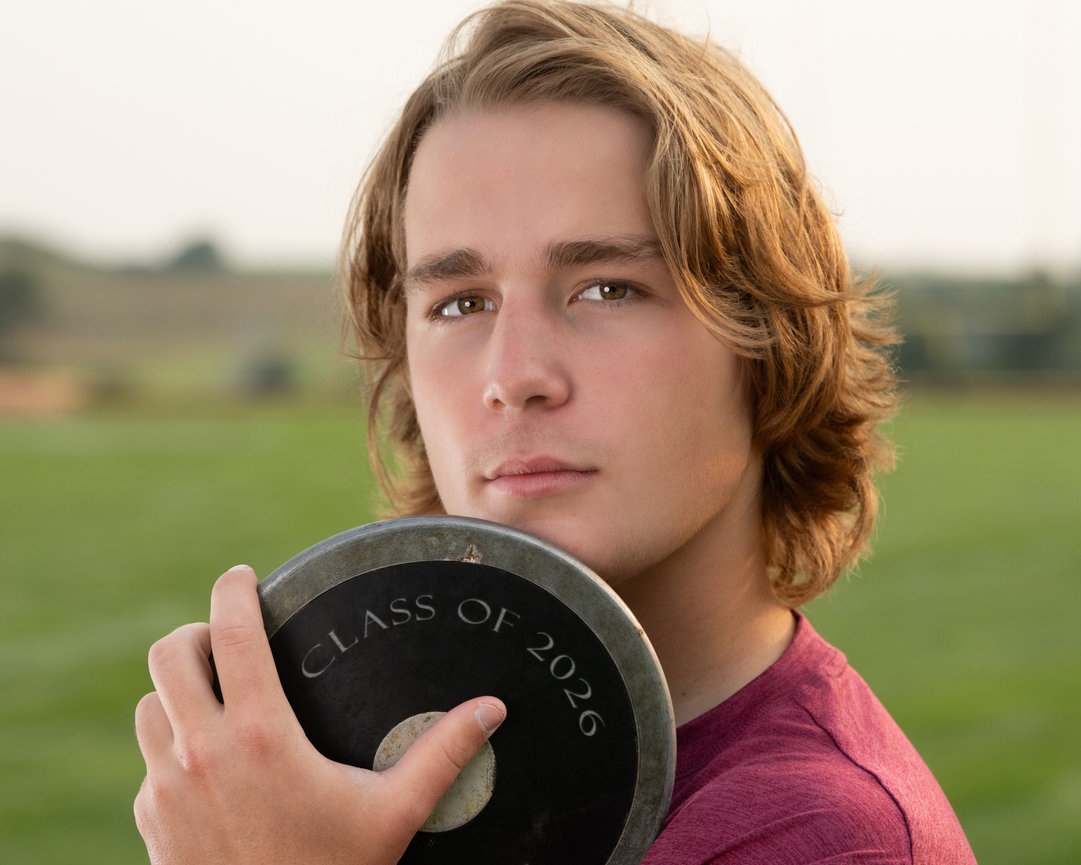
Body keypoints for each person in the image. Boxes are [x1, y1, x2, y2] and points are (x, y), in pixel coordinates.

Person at [134, 2, 977, 863]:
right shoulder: (346, 782)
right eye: (461, 302)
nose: (514, 375)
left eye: (606, 288)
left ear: (768, 338)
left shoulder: (821, 838)